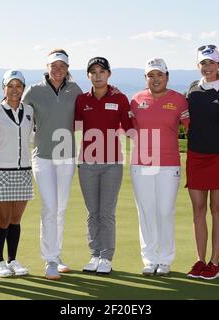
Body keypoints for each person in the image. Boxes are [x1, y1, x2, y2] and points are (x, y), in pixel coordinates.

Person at [22, 49, 83, 280]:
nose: (58, 70)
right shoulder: (34, 91)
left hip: (66, 156)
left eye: (62, 66)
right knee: (49, 207)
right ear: (47, 67)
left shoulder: (75, 90)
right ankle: (49, 259)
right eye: (54, 66)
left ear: (68, 69)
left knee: (61, 207)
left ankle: (56, 255)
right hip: (43, 156)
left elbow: (89, 107)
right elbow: (17, 108)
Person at [129, 58, 189, 276]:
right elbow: (126, 127)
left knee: (164, 211)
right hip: (141, 164)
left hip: (169, 164)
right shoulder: (136, 100)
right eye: (151, 75)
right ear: (146, 78)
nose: (155, 79)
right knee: (146, 212)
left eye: (159, 75)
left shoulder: (179, 100)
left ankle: (164, 259)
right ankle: (149, 258)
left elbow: (193, 128)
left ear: (167, 76)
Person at [74, 57, 133, 275]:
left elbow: (129, 127)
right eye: (93, 72)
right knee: (92, 212)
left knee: (106, 212)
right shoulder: (81, 100)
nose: (98, 75)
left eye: (102, 71)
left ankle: (106, 257)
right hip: (87, 162)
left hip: (112, 163)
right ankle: (94, 254)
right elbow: (70, 123)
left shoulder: (120, 98)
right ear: (88, 75)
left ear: (109, 74)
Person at [185, 45, 219, 280]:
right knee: (198, 210)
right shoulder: (192, 90)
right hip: (196, 156)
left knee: (217, 210)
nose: (207, 67)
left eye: (211, 63)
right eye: (203, 63)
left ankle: (214, 263)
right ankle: (200, 260)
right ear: (199, 66)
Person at [0, 70, 34, 278]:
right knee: (3, 219)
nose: (15, 90)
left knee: (16, 219)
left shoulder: (30, 111)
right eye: (10, 85)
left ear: (23, 88)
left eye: (19, 86)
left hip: (23, 170)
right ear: (3, 88)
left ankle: (12, 260)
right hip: (0, 170)